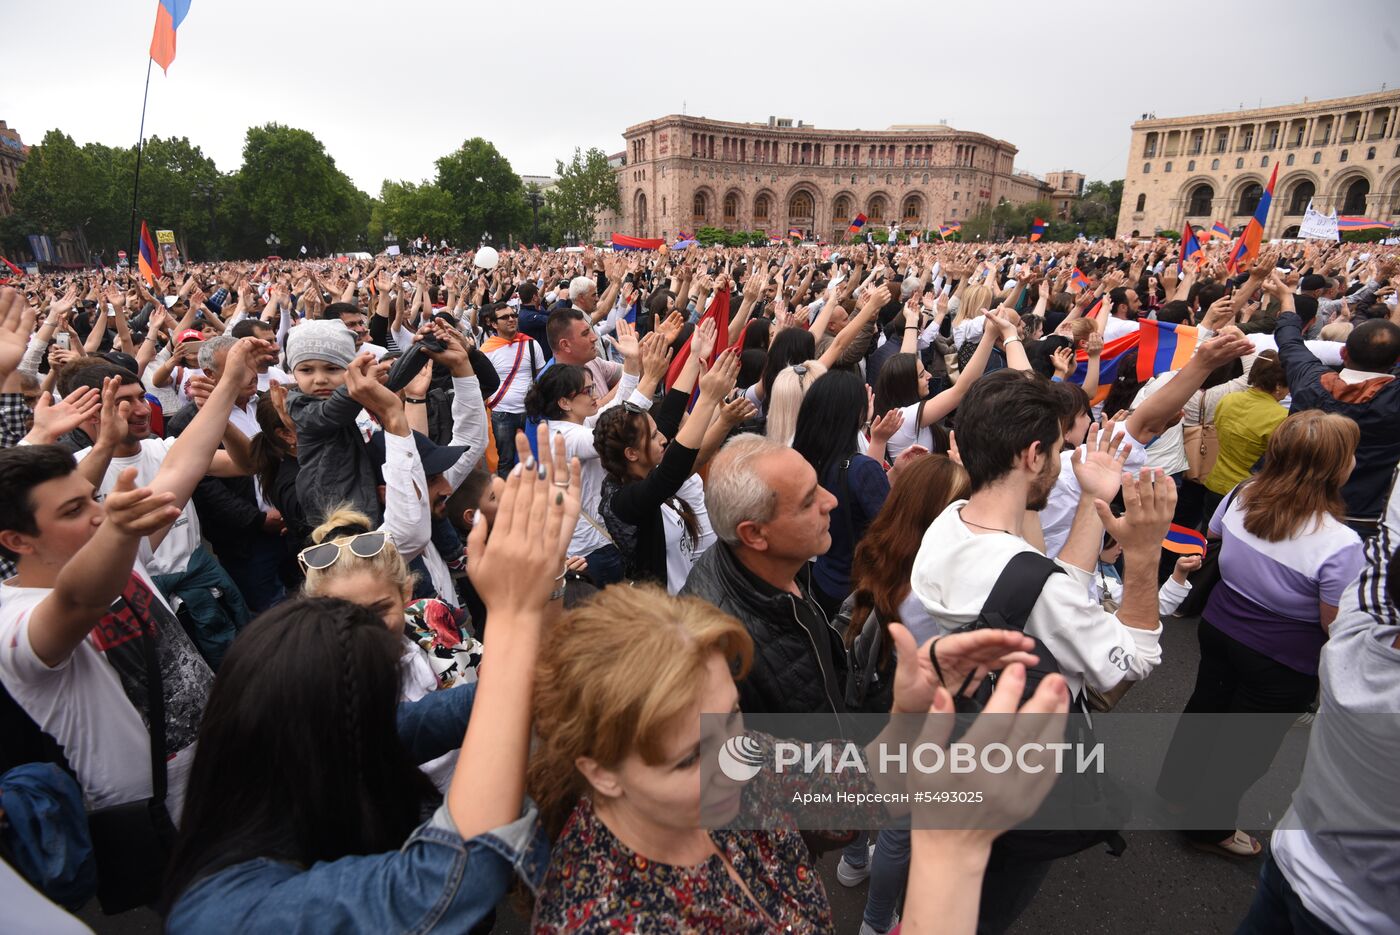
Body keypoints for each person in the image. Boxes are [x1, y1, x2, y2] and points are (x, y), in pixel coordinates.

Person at [163, 426, 581, 931]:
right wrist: (514, 614)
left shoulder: (331, 739)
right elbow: (446, 880)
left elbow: (500, 696)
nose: (374, 630)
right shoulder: (227, 916)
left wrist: (547, 581)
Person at [528, 583, 1067, 934]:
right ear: (599, 771)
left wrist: (909, 711)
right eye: (688, 759)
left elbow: (857, 791)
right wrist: (953, 852)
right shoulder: (609, 920)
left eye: (732, 715)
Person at [909, 368, 1176, 933]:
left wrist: (1090, 500)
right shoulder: (1035, 584)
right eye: (1059, 450)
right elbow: (1131, 660)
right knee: (988, 908)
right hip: (1024, 777)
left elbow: (1048, 592)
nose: (1063, 461)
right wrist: (1147, 556)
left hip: (959, 749)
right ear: (1032, 455)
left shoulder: (945, 526)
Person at [0, 335, 267, 817]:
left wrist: (228, 381)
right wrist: (118, 525)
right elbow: (82, 600)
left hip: (216, 762)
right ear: (17, 541)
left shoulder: (124, 554)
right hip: (150, 814)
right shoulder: (14, 624)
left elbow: (185, 462)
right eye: (75, 509)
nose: (98, 515)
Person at [1156, 411, 1364, 859]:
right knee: (1245, 748)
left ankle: (1174, 792)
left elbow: (1210, 538)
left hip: (1219, 625)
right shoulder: (1340, 543)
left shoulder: (1243, 492)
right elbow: (1334, 624)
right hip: (1281, 658)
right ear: (1337, 468)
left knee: (1205, 711)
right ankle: (1208, 829)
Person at [1237, 464, 1400, 934]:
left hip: (1292, 859)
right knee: (1245, 747)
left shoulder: (1354, 641)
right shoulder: (1338, 545)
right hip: (1357, 920)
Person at [300, 506, 482, 791]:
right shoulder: (319, 687)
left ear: (406, 592)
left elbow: (486, 669)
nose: (367, 626)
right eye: (344, 614)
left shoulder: (429, 617)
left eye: (381, 609)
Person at [679, 433, 846, 715]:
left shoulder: (783, 563)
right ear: (754, 534)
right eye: (808, 502)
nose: (830, 501)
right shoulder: (720, 653)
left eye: (818, 486)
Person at [523, 322, 666, 587]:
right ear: (564, 402)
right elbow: (619, 428)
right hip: (593, 549)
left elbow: (615, 406)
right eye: (587, 391)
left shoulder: (576, 423)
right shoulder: (561, 437)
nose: (595, 396)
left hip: (599, 540)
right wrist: (652, 378)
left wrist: (632, 363)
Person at [593, 346, 740, 592]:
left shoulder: (641, 468)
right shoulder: (620, 501)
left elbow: (669, 418)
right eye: (652, 436)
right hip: (669, 614)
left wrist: (695, 356)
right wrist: (706, 400)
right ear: (632, 453)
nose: (663, 438)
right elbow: (670, 474)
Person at [1272, 274, 1400, 537]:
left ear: (1343, 353)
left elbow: (1289, 340)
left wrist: (1286, 298)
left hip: (1286, 507)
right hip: (1357, 521)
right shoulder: (1392, 403)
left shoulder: (1309, 381)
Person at [791, 370, 896, 616]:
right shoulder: (861, 468)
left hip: (821, 578)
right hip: (856, 588)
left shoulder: (800, 460)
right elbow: (892, 530)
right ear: (856, 414)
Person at [1202, 351, 1289, 517]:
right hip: (1248, 493)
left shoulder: (1228, 399)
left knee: (1207, 538)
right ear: (1278, 385)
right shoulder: (1281, 418)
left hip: (1216, 483)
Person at [480, 303, 546, 477]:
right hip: (502, 413)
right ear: (494, 324)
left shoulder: (531, 344)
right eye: (505, 317)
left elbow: (541, 378)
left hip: (530, 412)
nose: (511, 319)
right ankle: (508, 500)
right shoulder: (487, 350)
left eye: (513, 315)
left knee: (534, 458)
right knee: (506, 460)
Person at [546, 306, 622, 399]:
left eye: (590, 330)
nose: (595, 337)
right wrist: (630, 374)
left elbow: (628, 371)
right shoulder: (553, 384)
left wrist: (636, 358)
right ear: (565, 345)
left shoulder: (590, 361)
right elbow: (596, 412)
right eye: (585, 333)